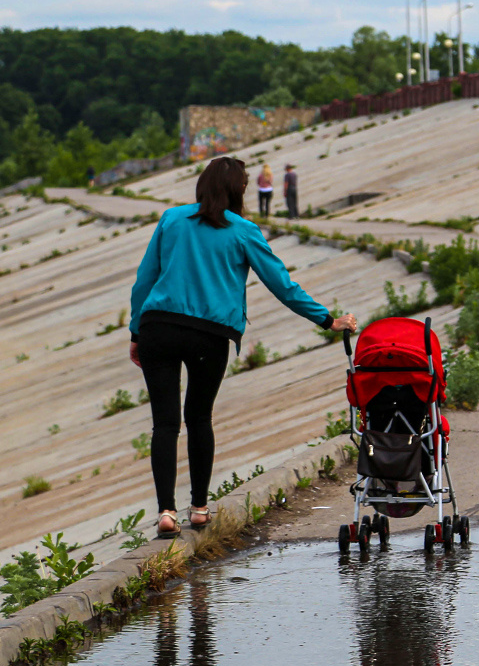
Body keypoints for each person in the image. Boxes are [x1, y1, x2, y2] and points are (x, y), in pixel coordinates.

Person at [129, 157, 356, 535]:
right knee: (199, 418)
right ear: (240, 191)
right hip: (209, 335)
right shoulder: (244, 231)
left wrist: (137, 332)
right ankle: (199, 509)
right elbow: (281, 285)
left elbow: (144, 281)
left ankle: (166, 513)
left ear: (201, 186)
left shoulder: (171, 220)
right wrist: (327, 320)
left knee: (165, 424)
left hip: (159, 329)